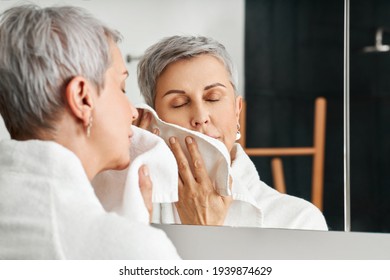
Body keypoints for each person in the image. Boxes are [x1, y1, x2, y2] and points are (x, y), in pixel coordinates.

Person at [0, 5, 179, 259]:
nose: (133, 112)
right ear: (83, 99)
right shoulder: (128, 248)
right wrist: (135, 243)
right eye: (122, 88)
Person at [137, 35, 328, 230]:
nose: (201, 117)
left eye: (213, 98)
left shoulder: (299, 221)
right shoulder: (132, 210)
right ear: (152, 121)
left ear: (237, 110)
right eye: (180, 103)